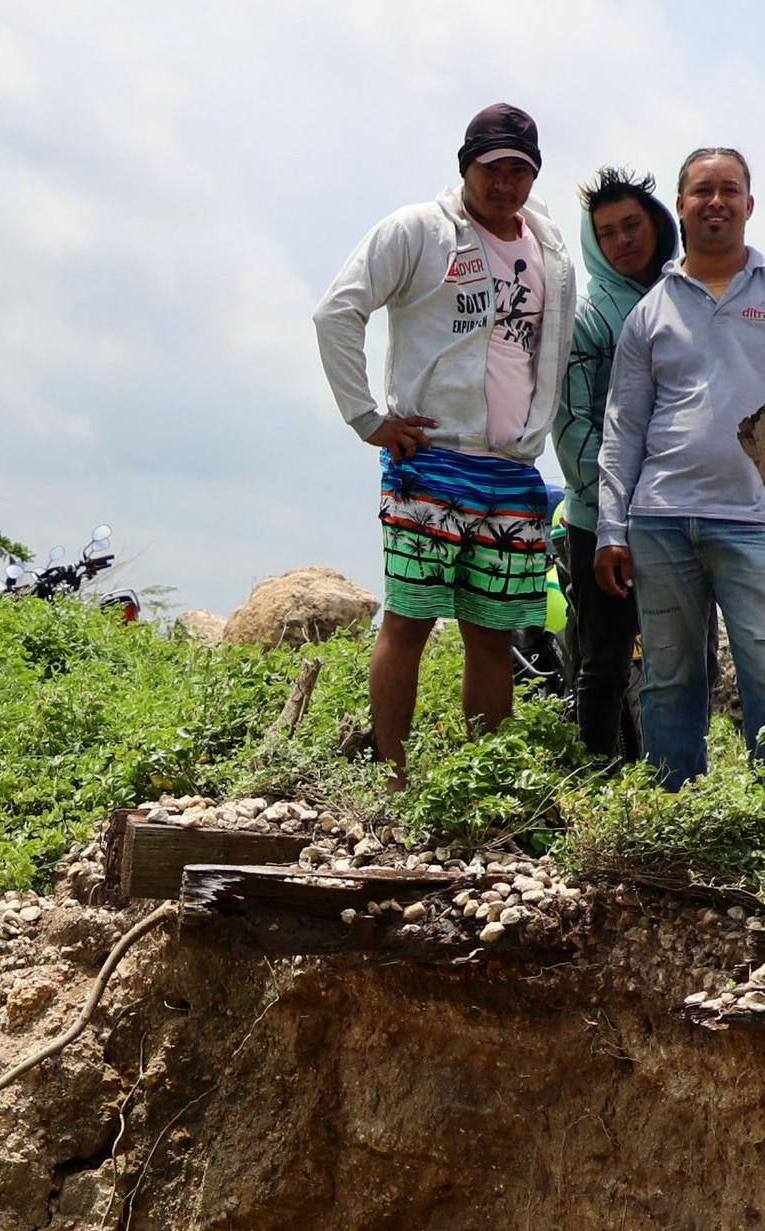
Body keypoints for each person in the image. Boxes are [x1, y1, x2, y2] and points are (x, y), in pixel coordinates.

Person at [314, 103, 578, 783]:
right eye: (493, 168)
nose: (505, 183)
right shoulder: (419, 231)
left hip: (512, 467)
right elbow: (337, 310)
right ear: (467, 166)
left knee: (492, 634)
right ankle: (392, 777)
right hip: (429, 458)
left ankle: (479, 786)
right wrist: (366, 417)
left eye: (519, 170)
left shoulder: (549, 248)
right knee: (409, 622)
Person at [590, 147, 765, 787]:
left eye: (729, 190)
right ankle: (676, 810)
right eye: (702, 191)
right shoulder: (652, 311)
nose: (716, 202)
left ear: (749, 204)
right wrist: (612, 530)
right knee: (669, 676)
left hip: (758, 521)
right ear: (682, 207)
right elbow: (623, 426)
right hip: (661, 519)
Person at [550, 168, 676, 765]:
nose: (623, 241)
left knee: (681, 659)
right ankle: (594, 783)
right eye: (606, 232)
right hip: (595, 518)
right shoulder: (587, 319)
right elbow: (571, 425)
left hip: (680, 513)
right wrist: (611, 510)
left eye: (633, 225)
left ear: (657, 224)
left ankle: (678, 787)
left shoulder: (689, 301)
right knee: (602, 661)